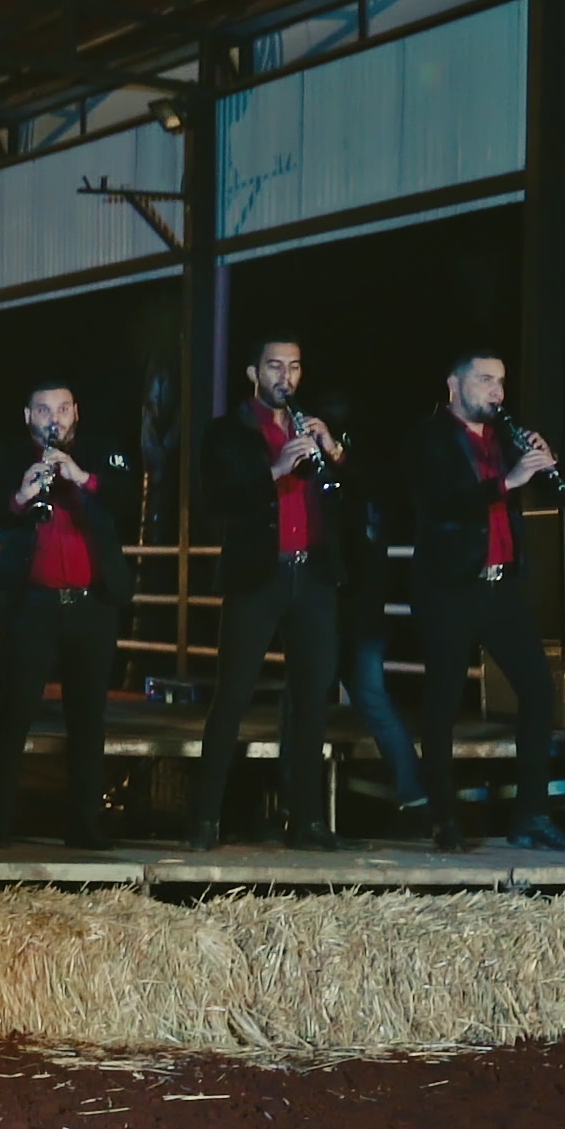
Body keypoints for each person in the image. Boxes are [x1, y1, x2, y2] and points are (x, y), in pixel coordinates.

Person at [405, 352, 565, 853]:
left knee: (538, 690)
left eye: (502, 383)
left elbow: (507, 498)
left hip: (501, 584)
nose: (497, 392)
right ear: (454, 384)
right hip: (449, 586)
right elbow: (439, 501)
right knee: (444, 701)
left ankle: (531, 816)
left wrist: (538, 466)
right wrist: (509, 482)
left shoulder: (503, 438)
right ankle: (444, 819)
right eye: (486, 381)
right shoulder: (428, 437)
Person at [189, 335, 347, 850]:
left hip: (313, 576)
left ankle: (307, 821)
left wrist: (336, 454)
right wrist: (274, 470)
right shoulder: (228, 432)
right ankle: (205, 819)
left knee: (310, 702)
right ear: (253, 372)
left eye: (295, 367)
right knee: (232, 695)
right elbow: (217, 499)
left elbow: (350, 498)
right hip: (259, 575)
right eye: (275, 367)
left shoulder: (312, 427)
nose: (286, 377)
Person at [0, 379, 133, 848]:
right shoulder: (6, 459)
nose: (54, 419)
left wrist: (81, 478)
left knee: (88, 718)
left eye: (62, 409)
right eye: (43, 411)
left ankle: (84, 825)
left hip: (92, 605)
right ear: (28, 418)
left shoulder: (99, 453)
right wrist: (21, 497)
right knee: (14, 714)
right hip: (31, 607)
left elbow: (125, 503)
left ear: (76, 413)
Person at [316, 388, 428, 836]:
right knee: (359, 699)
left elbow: (372, 494)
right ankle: (414, 794)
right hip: (347, 607)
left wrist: (336, 455)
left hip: (348, 608)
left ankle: (414, 794)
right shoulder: (358, 481)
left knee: (320, 701)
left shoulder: (362, 477)